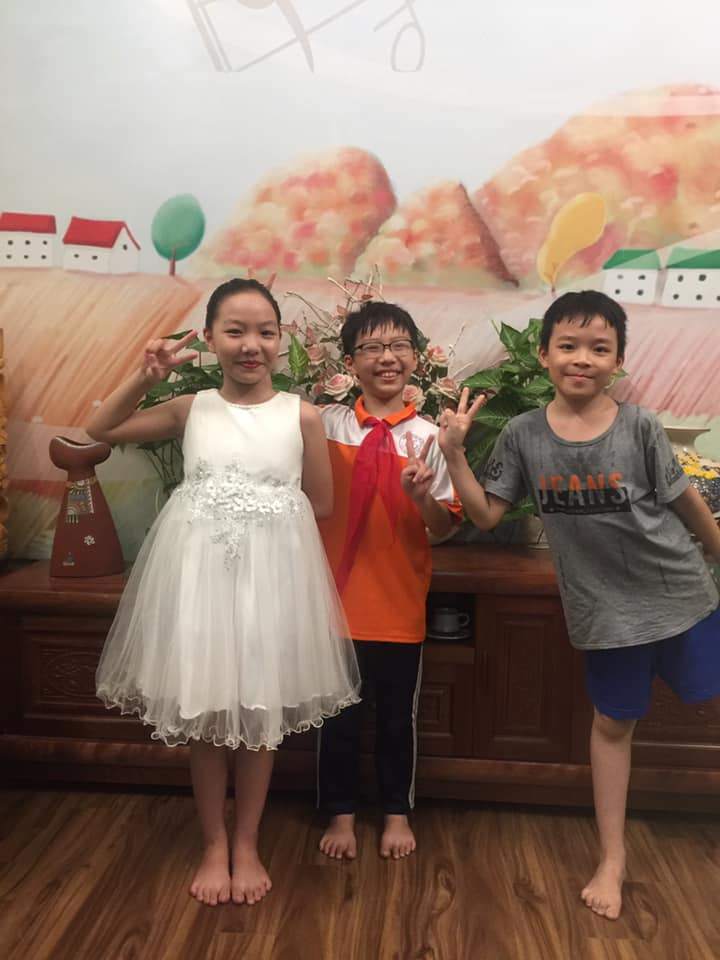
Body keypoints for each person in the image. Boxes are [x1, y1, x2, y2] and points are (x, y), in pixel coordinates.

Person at [437, 290, 720, 920]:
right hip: (605, 615)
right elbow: (486, 515)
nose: (582, 359)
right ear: (544, 355)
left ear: (618, 360)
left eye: (599, 348)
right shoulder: (523, 434)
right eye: (568, 345)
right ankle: (612, 859)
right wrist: (454, 454)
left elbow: (686, 503)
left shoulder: (640, 426)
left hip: (682, 594)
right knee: (613, 726)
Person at [89, 278, 360, 907]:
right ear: (210, 339)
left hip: (272, 583)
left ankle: (247, 841)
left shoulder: (302, 414)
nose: (250, 345)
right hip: (200, 582)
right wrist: (146, 377)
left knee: (261, 718)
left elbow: (320, 503)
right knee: (207, 717)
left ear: (281, 339)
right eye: (235, 331)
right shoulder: (191, 409)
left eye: (265, 331)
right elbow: (98, 430)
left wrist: (261, 521)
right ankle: (214, 844)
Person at [316, 301, 462, 860]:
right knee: (338, 720)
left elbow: (443, 528)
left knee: (398, 719)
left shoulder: (431, 438)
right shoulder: (324, 424)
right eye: (372, 348)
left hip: (399, 602)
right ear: (350, 362)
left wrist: (423, 497)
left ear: (417, 359)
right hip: (333, 602)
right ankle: (341, 814)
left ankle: (396, 812)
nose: (387, 358)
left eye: (399, 346)